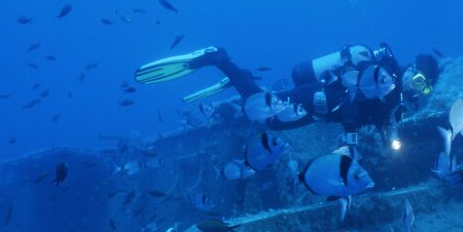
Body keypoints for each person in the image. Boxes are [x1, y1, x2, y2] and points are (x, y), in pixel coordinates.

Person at [134, 44, 439, 145]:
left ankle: (235, 80)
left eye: (425, 88)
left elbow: (359, 115)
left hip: (322, 112)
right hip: (317, 97)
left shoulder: (394, 99)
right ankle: (221, 59)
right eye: (420, 79)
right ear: (412, 68)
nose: (418, 88)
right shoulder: (380, 70)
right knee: (265, 110)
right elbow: (348, 93)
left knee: (272, 122)